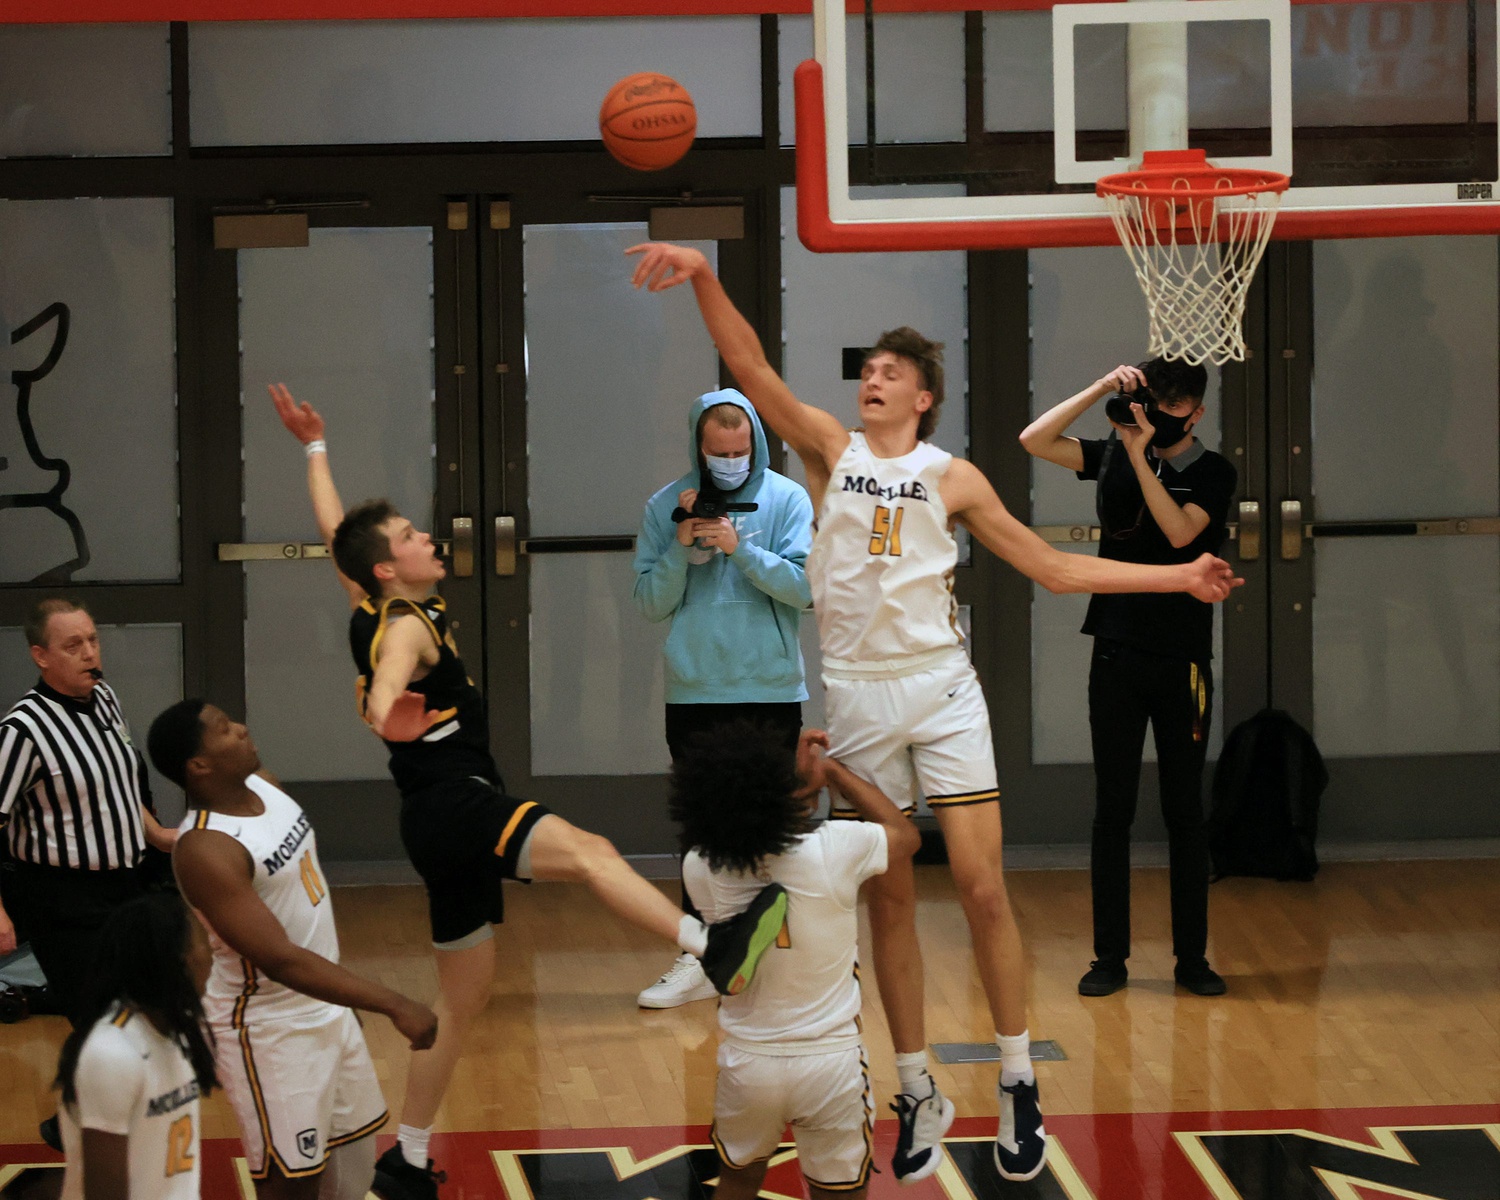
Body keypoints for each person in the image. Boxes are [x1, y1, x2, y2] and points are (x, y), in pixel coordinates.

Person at [626, 243, 1241, 1184]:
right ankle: (916, 1086)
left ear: (922, 397)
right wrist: (706, 275)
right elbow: (749, 367)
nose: (871, 380)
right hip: (862, 694)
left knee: (986, 890)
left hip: (943, 687)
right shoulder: (828, 453)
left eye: (890, 373)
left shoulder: (954, 478)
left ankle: (1019, 1075)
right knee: (892, 896)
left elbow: (1053, 567)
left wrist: (1181, 575)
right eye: (867, 371)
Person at [270, 384, 788, 1199]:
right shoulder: (402, 628)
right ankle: (710, 946)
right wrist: (382, 709)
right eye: (412, 536)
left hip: (430, 821)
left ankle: (405, 1155)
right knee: (592, 853)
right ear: (388, 566)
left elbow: (338, 535)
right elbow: (389, 684)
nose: (427, 538)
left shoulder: (373, 600)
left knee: (463, 997)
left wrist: (313, 448)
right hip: (459, 803)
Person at [147, 698, 439, 1199]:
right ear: (199, 765)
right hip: (270, 1033)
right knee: (292, 1183)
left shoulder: (265, 786)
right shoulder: (206, 849)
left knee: (354, 1168)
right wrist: (391, 1001)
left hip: (322, 1008)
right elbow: (279, 958)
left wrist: (338, 999)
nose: (240, 729)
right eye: (223, 730)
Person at [1020, 360, 1237, 998]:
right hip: (1115, 648)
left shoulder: (1213, 471)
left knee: (1183, 810)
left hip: (1184, 656)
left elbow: (1179, 534)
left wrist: (1142, 456)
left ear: (1195, 413)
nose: (1157, 417)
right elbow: (1034, 440)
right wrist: (1098, 390)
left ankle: (1191, 959)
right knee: (1112, 806)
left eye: (1174, 408)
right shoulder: (1111, 451)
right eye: (1151, 402)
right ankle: (1109, 958)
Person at [675, 720, 919, 1200]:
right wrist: (830, 774)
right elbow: (905, 836)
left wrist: (796, 796)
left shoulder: (699, 864)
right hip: (832, 1064)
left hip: (749, 1064)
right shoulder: (835, 849)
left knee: (738, 1182)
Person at [633, 388, 813, 1009]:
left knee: (771, 825)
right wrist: (684, 547)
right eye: (718, 453)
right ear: (699, 449)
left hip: (768, 687)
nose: (730, 462)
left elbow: (806, 589)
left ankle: (783, 954)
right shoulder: (666, 504)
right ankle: (699, 954)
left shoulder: (788, 498)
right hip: (695, 690)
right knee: (700, 831)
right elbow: (651, 603)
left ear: (756, 444)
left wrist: (743, 549)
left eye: (740, 452)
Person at [0, 598, 179, 1150]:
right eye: (73, 646)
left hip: (129, 883)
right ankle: (91, 1132)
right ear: (40, 656)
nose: (89, 653)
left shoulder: (103, 697)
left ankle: (79, 1119)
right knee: (104, 1021)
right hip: (63, 898)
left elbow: (121, 782)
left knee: (147, 1010)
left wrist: (158, 835)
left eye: (93, 640)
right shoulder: (22, 731)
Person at [54, 890, 217, 1200]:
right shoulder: (112, 1053)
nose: (211, 950)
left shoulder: (178, 1027)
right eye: (203, 939)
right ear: (180, 960)